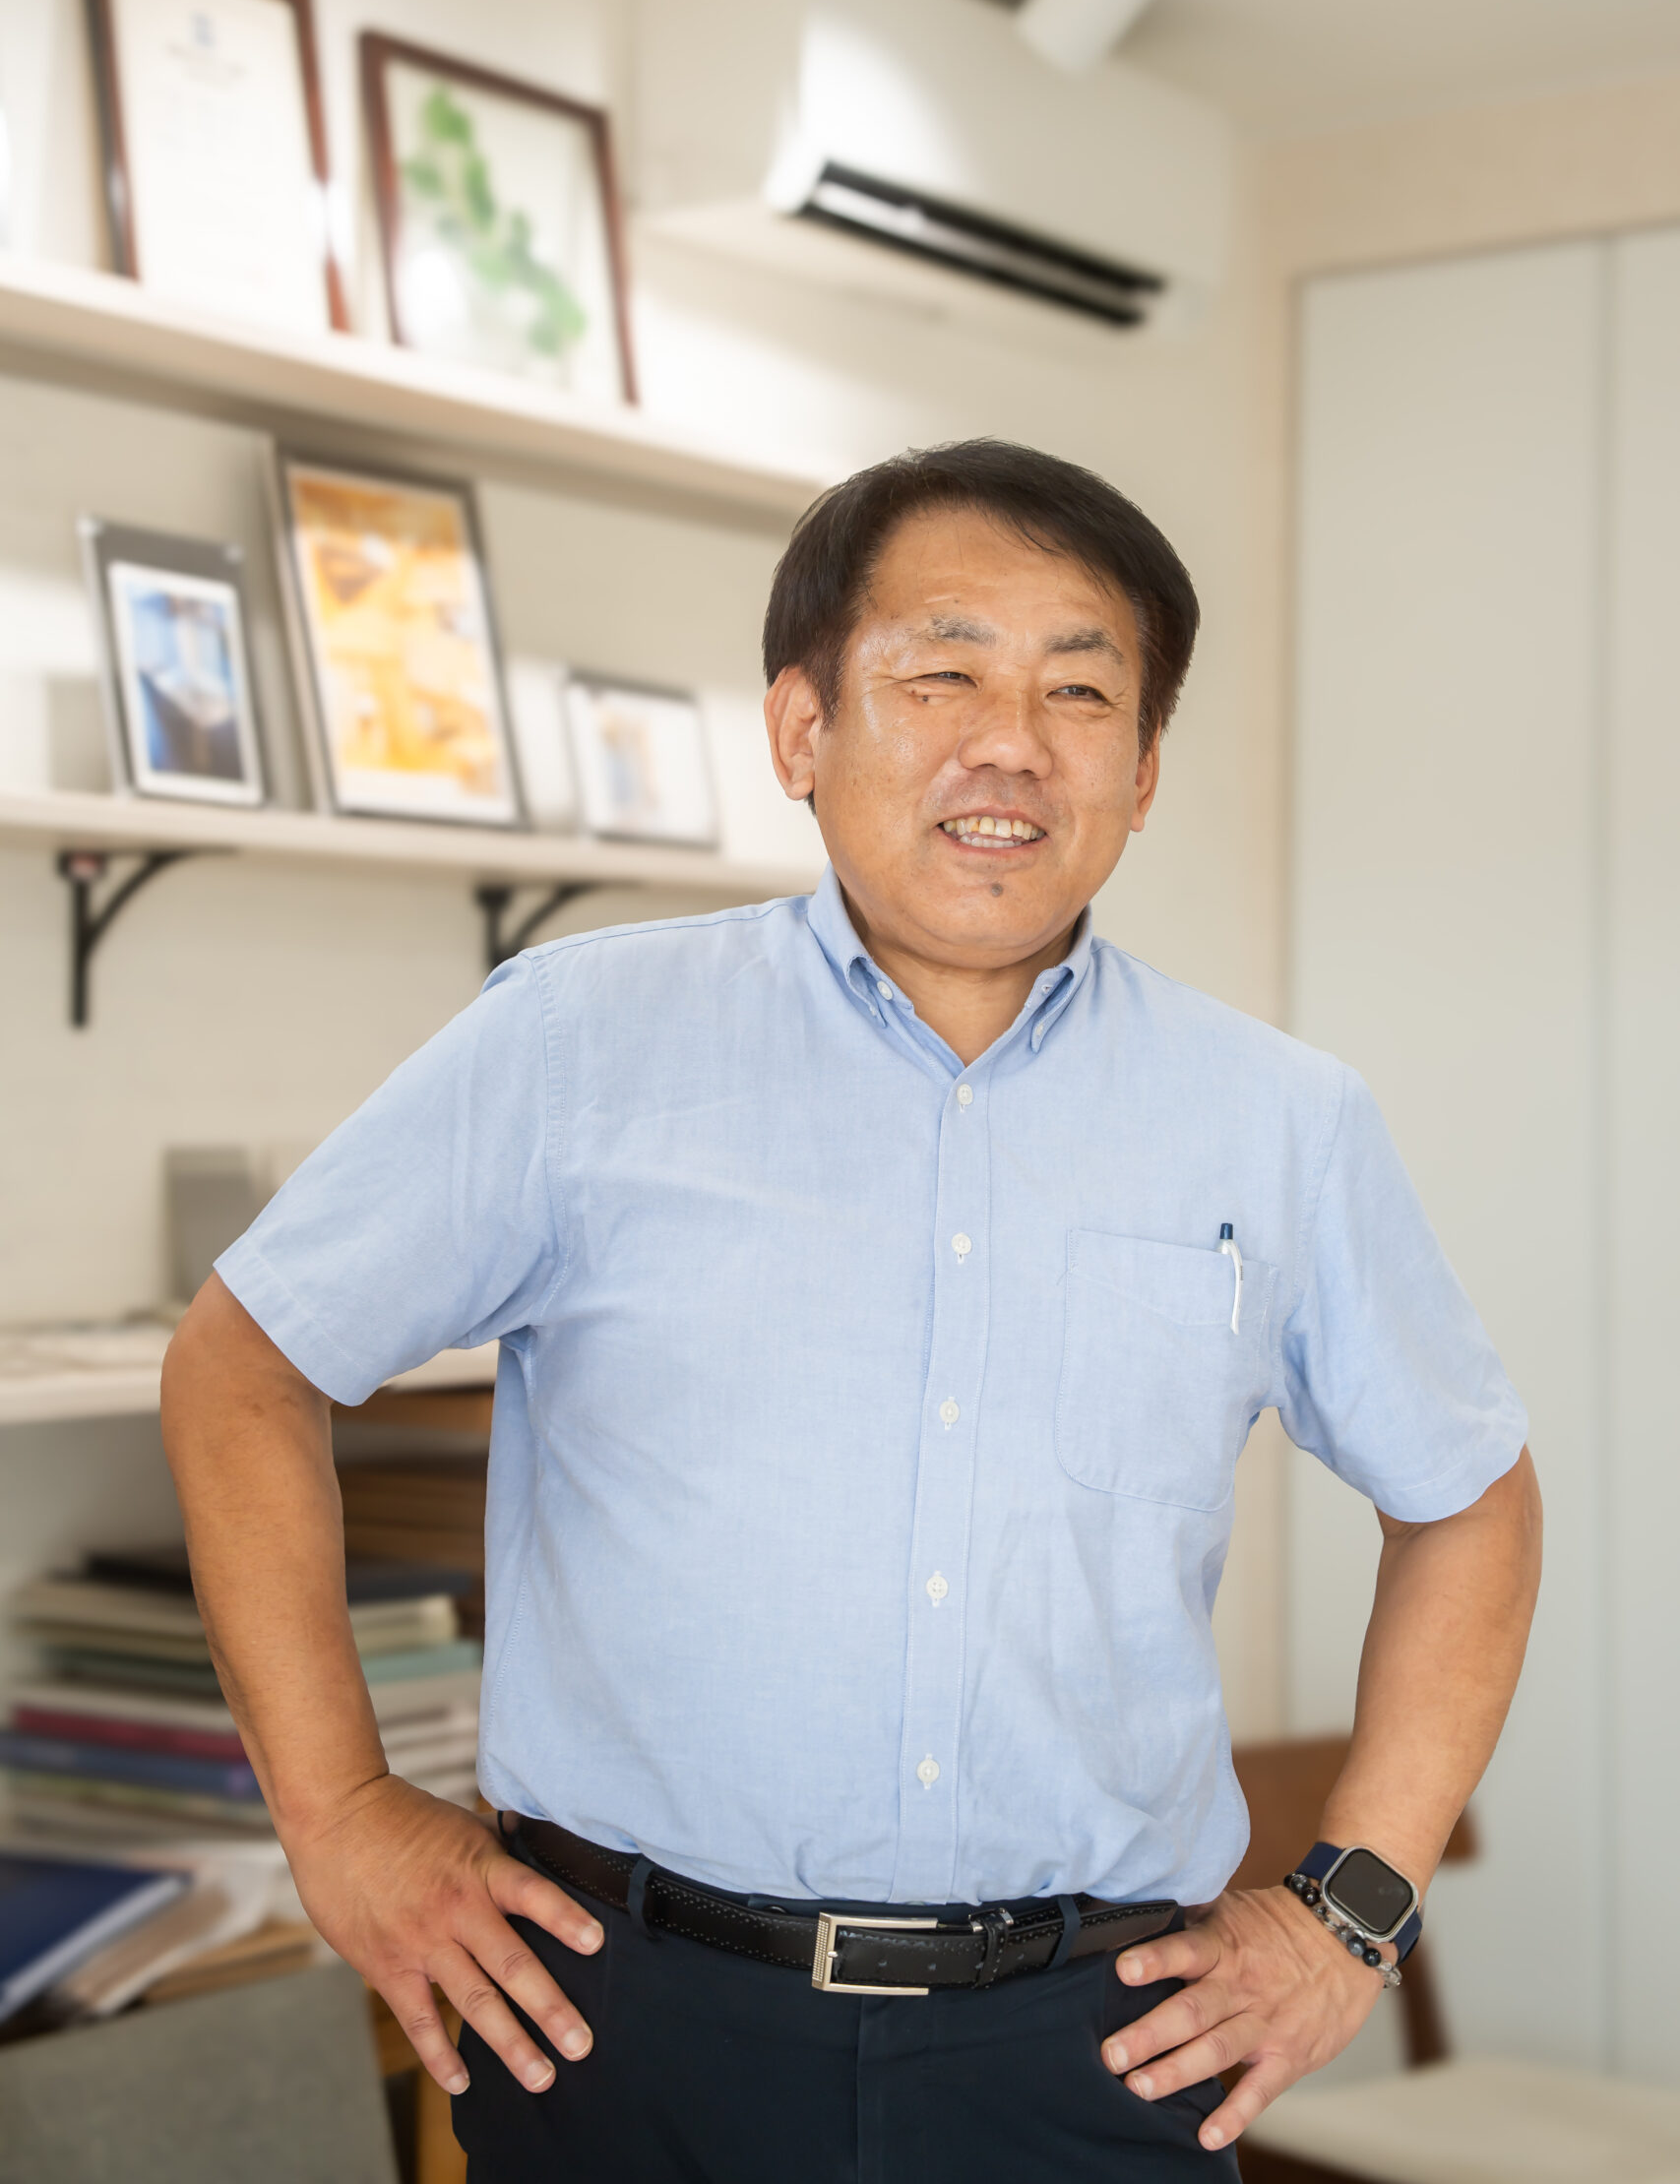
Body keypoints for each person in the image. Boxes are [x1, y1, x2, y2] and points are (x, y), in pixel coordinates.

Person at [162, 440, 1540, 2184]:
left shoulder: (1281, 1123)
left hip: (1091, 2048)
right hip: (624, 2024)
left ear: (1142, 771)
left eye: (1080, 691)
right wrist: (343, 1815)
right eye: (942, 674)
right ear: (801, 730)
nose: (1010, 744)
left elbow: (1471, 1501)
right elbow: (241, 1367)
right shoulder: (579, 1046)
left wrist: (1350, 1911)